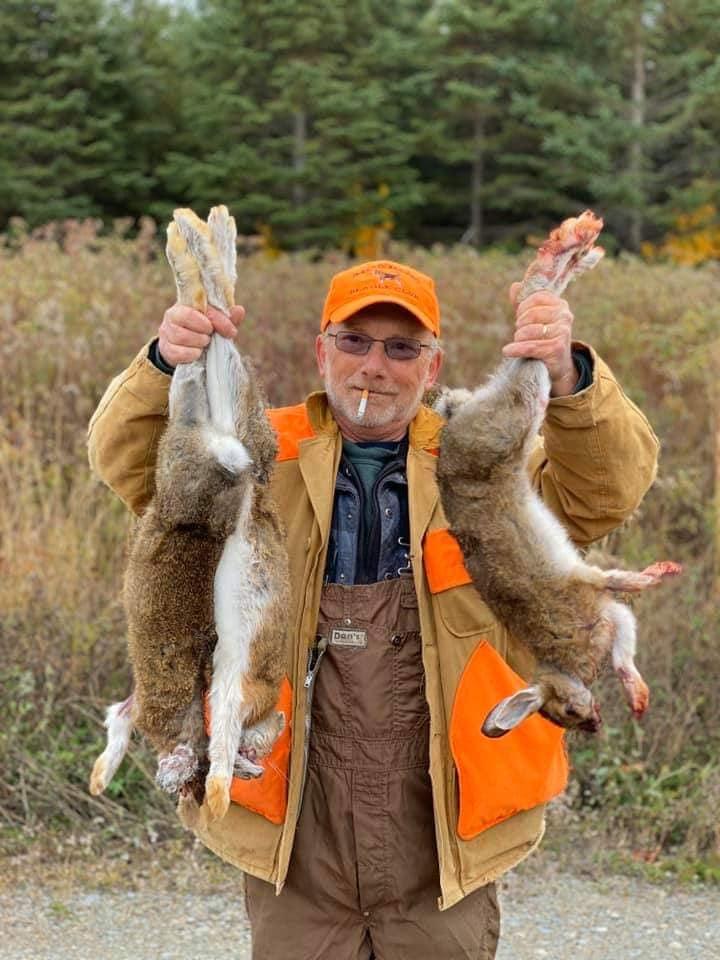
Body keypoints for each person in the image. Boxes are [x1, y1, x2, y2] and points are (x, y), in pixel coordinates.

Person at [88, 258, 659, 959]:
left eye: (401, 347)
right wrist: (163, 365)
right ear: (320, 351)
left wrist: (567, 376)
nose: (374, 367)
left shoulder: (482, 467)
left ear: (432, 363)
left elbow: (606, 489)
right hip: (297, 828)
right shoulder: (258, 455)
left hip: (444, 828)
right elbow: (131, 465)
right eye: (355, 342)